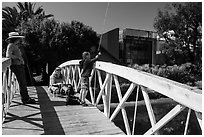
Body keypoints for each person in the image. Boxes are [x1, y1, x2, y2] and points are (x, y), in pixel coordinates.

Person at [6, 32, 36, 104]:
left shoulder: (14, 45)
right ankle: (25, 99)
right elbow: (8, 55)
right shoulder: (11, 45)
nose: (19, 40)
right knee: (22, 83)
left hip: (19, 66)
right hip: (17, 66)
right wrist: (18, 58)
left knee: (23, 83)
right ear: (15, 39)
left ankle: (26, 98)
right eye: (18, 38)